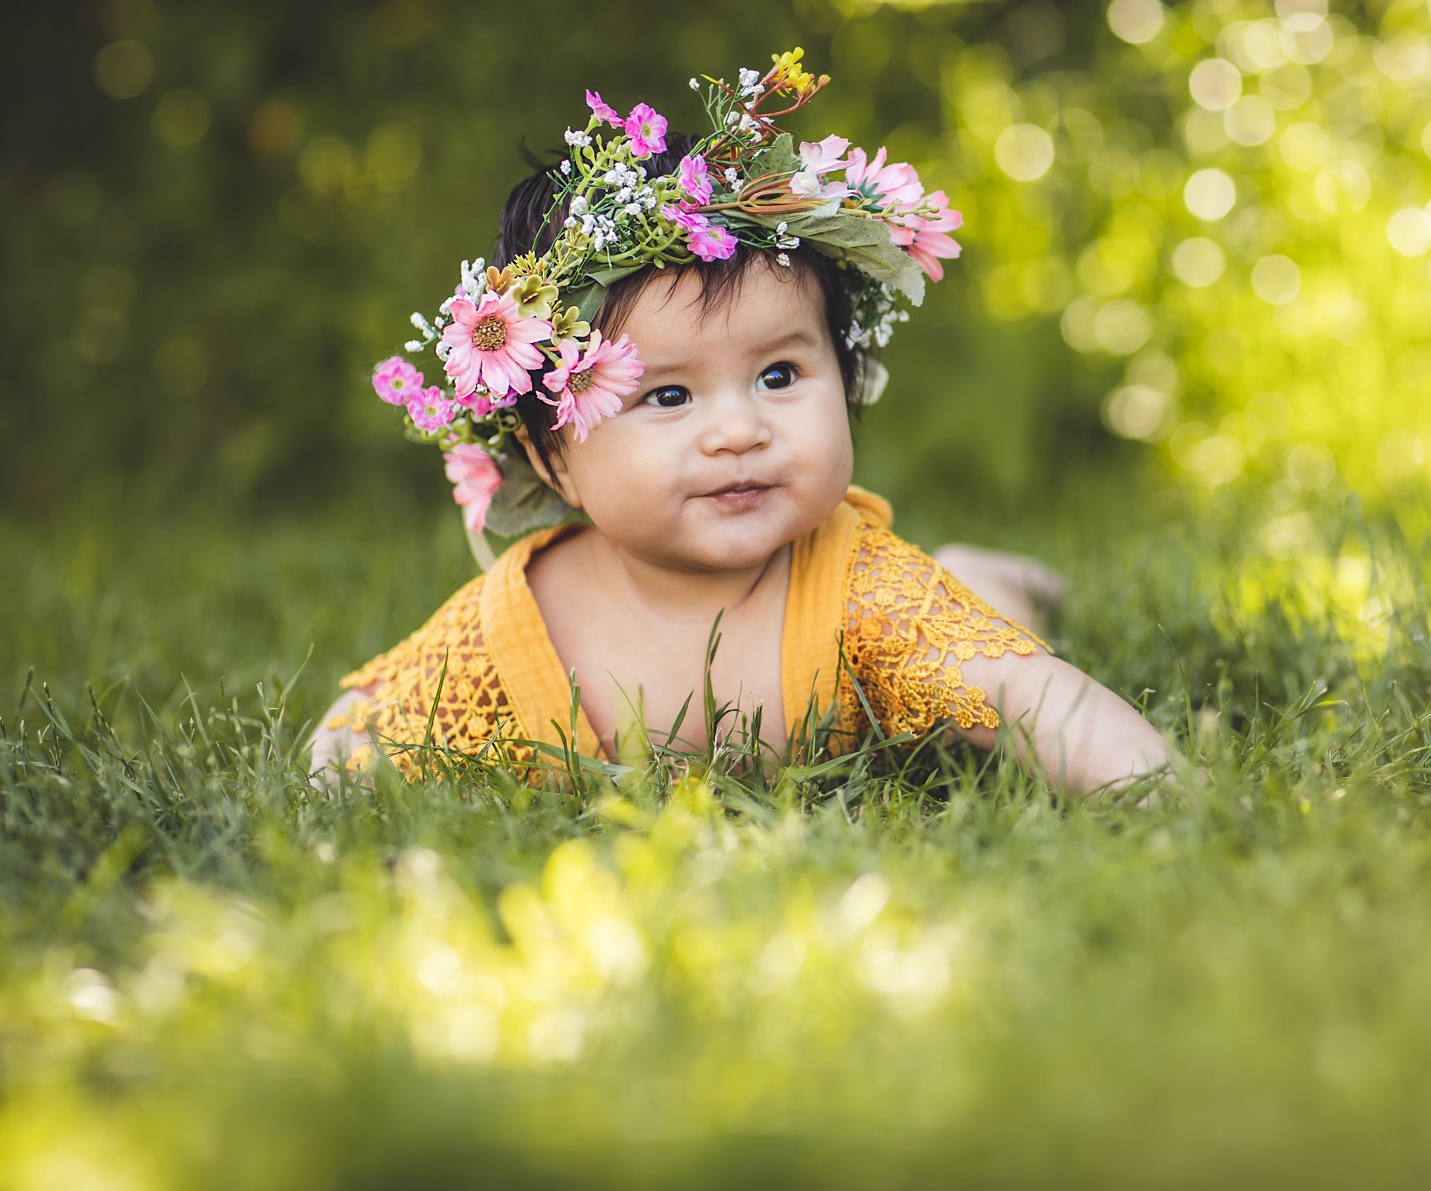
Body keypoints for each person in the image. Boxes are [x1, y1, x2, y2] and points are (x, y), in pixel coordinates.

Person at [310, 53, 1172, 797]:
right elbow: (357, 730)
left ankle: (987, 583)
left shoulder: (863, 587)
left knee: (988, 636)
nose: (738, 431)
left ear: (846, 374)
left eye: (778, 375)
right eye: (670, 396)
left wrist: (1175, 795)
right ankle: (979, 573)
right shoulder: (514, 629)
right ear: (553, 458)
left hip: (936, 638)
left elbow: (1036, 701)